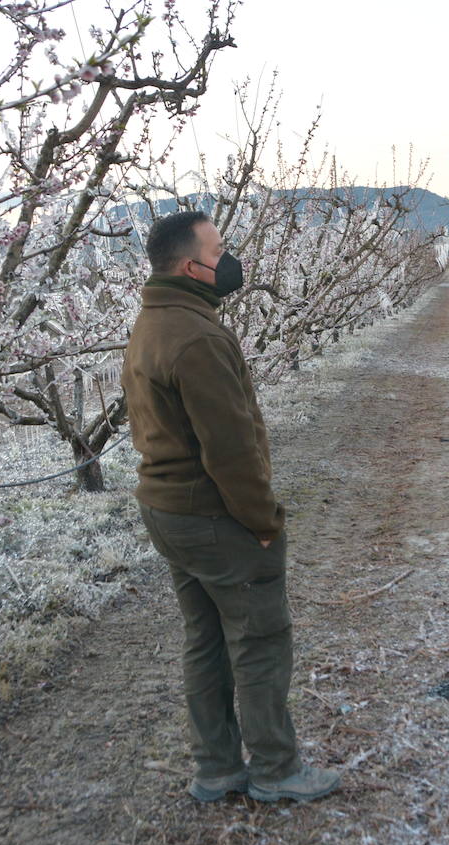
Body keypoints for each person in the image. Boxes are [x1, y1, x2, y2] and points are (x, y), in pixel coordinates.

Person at [121, 210, 339, 804]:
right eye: (220, 250)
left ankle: (216, 767)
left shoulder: (153, 321)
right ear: (193, 267)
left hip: (167, 510)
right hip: (214, 515)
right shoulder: (198, 337)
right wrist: (263, 521)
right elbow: (231, 448)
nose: (231, 259)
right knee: (261, 638)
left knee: (206, 639)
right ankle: (277, 769)